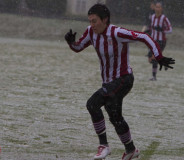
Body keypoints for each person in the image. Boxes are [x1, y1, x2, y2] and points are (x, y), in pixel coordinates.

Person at [64, 3, 174, 160]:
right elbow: (78, 47)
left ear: (105, 19)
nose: (92, 25)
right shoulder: (91, 32)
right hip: (108, 82)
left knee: (92, 104)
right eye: (90, 21)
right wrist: (70, 42)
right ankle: (131, 149)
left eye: (95, 21)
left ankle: (104, 146)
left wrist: (159, 56)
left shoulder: (117, 32)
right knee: (114, 115)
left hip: (123, 79)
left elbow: (144, 37)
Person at [147, 1, 172, 81]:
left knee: (154, 58)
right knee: (150, 58)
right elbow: (151, 27)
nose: (157, 9)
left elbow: (170, 30)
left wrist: (162, 30)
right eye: (156, 7)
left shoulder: (164, 18)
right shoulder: (152, 17)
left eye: (159, 7)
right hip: (153, 40)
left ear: (161, 9)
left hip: (161, 41)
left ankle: (154, 77)